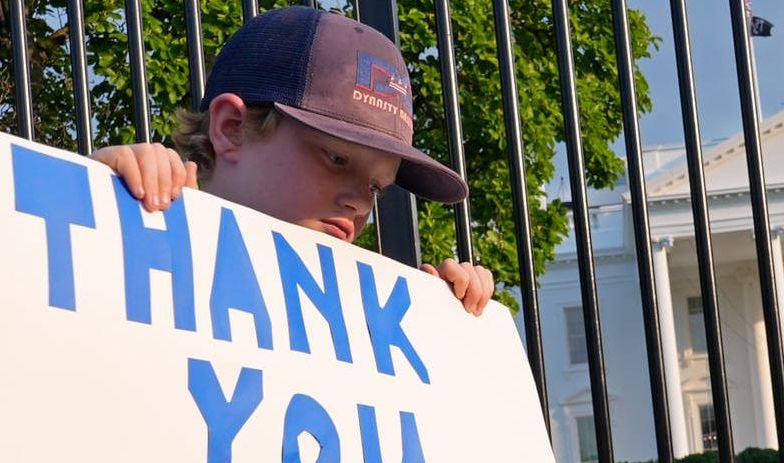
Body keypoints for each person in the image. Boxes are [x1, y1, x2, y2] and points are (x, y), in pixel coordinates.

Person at [91, 6, 496, 316]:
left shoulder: (354, 313)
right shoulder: (137, 216)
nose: (360, 203)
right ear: (232, 128)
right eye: (337, 158)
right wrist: (95, 193)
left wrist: (442, 315)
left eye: (376, 187)